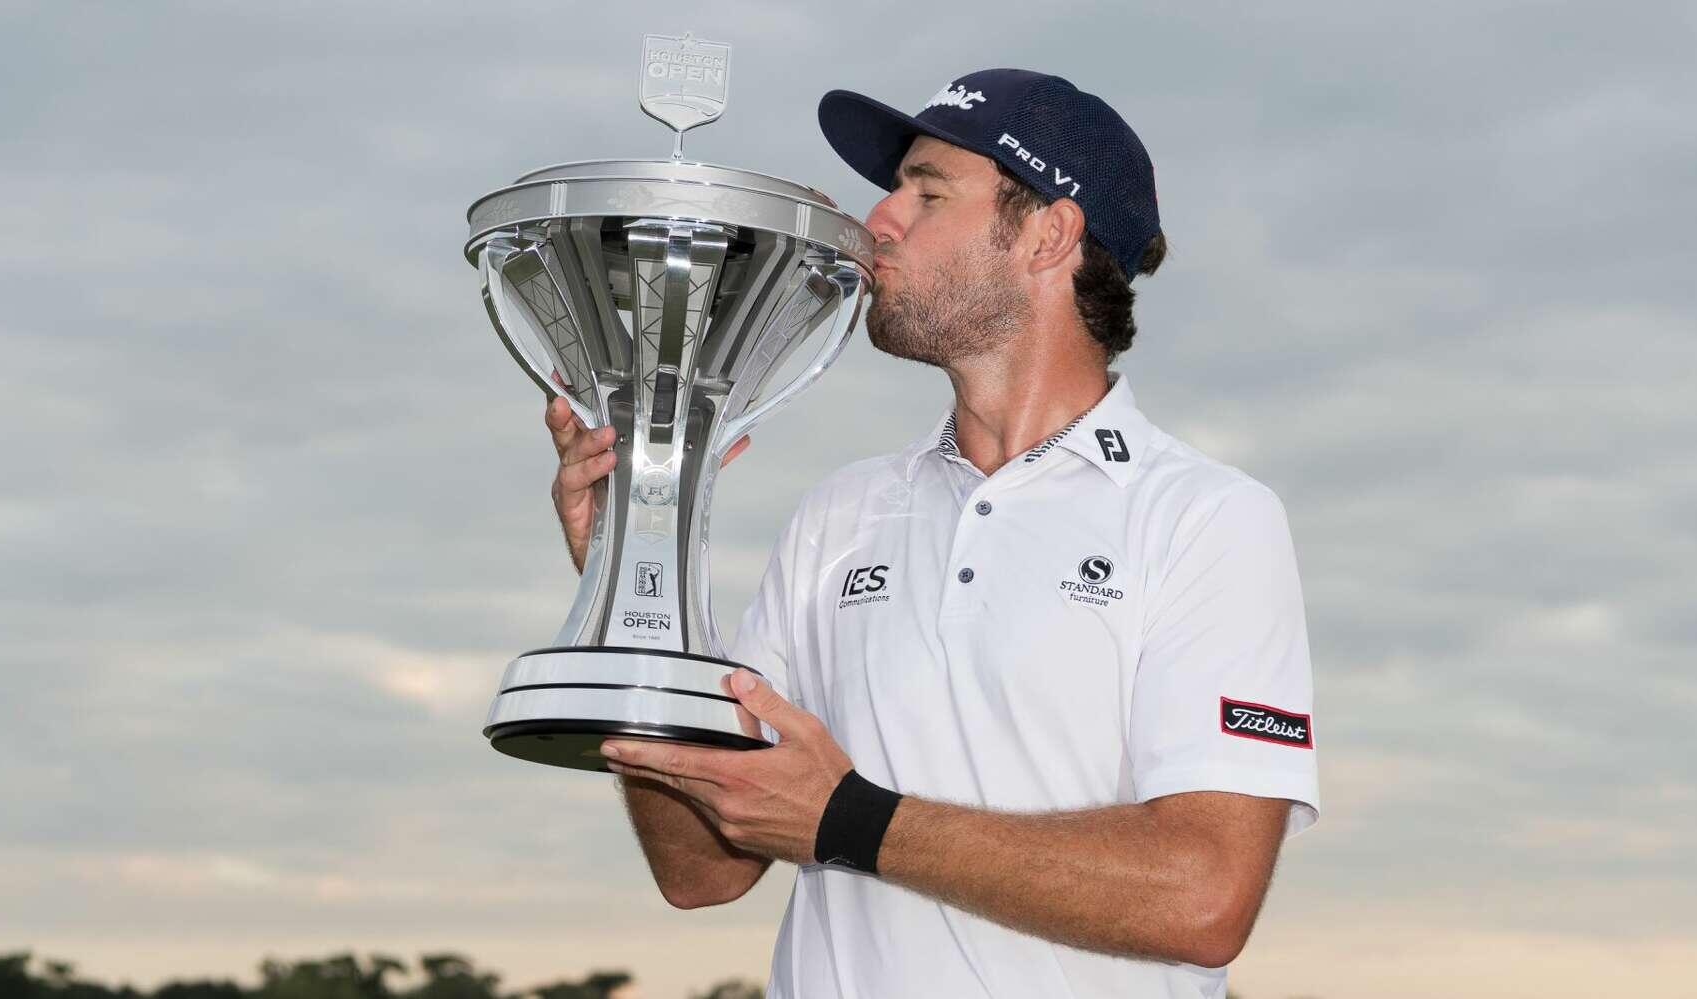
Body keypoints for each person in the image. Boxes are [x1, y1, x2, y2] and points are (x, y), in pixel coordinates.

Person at [543, 69, 1320, 998]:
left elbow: (1203, 898)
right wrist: (635, 585)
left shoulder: (1204, 517)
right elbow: (702, 871)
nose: (880, 219)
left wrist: (851, 820)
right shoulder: (842, 513)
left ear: (1048, 233)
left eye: (927, 189)